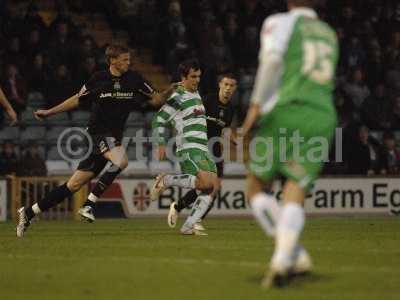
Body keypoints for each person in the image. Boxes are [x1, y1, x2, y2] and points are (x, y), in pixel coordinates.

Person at [16, 43, 178, 237]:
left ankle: (28, 212)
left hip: (113, 139)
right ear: (112, 61)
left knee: (73, 185)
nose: (129, 62)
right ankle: (89, 205)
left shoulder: (134, 79)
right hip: (97, 133)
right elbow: (77, 99)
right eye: (125, 59)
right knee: (121, 161)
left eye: (129, 59)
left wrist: (170, 89)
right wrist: (49, 112)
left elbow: (156, 100)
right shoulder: (98, 79)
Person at [240, 0, 339, 288]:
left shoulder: (280, 22)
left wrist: (255, 106)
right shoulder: (328, 32)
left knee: (256, 185)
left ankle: (289, 253)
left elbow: (271, 61)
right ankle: (290, 256)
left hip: (287, 111)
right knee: (294, 189)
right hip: (322, 114)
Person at [150, 59, 220, 236]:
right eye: (193, 77)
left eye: (198, 76)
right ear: (184, 77)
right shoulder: (178, 97)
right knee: (205, 183)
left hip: (203, 147)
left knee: (214, 187)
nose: (196, 80)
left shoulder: (196, 94)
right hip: (188, 148)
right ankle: (166, 181)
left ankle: (189, 225)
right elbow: (158, 119)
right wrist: (160, 143)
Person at [167, 74, 237, 231]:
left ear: (235, 88)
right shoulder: (207, 100)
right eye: (226, 84)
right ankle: (194, 219)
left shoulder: (231, 109)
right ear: (220, 84)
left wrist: (232, 138)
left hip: (215, 149)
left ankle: (180, 208)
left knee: (212, 187)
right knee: (208, 185)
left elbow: (223, 128)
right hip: (198, 145)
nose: (228, 88)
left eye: (231, 85)